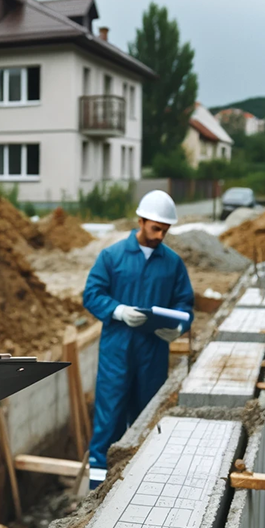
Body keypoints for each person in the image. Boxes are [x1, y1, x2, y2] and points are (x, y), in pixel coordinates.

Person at [83, 191, 194, 486]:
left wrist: (179, 328)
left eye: (165, 230)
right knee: (108, 423)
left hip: (152, 355)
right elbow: (92, 294)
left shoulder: (172, 263)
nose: (160, 235)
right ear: (141, 221)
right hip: (116, 355)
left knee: (148, 420)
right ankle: (96, 492)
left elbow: (185, 305)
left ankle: (141, 485)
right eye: (155, 228)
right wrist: (118, 310)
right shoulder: (112, 256)